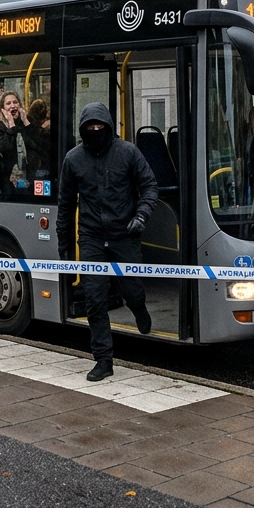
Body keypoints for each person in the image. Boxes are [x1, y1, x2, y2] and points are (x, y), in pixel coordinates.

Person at [57, 103, 158, 382]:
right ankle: (103, 359)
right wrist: (62, 242)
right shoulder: (73, 159)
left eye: (100, 127)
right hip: (90, 236)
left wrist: (141, 216)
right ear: (82, 129)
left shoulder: (127, 152)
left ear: (109, 126)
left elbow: (149, 187)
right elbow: (65, 204)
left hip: (125, 232)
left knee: (132, 289)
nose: (95, 131)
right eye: (90, 128)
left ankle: (138, 307)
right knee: (94, 299)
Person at [0, 91, 45, 191]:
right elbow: (5, 147)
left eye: (15, 102)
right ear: (2, 109)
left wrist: (26, 121)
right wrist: (11, 125)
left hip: (33, 176)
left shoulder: (28, 124)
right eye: (8, 103)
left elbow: (40, 143)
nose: (13, 106)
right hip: (10, 180)